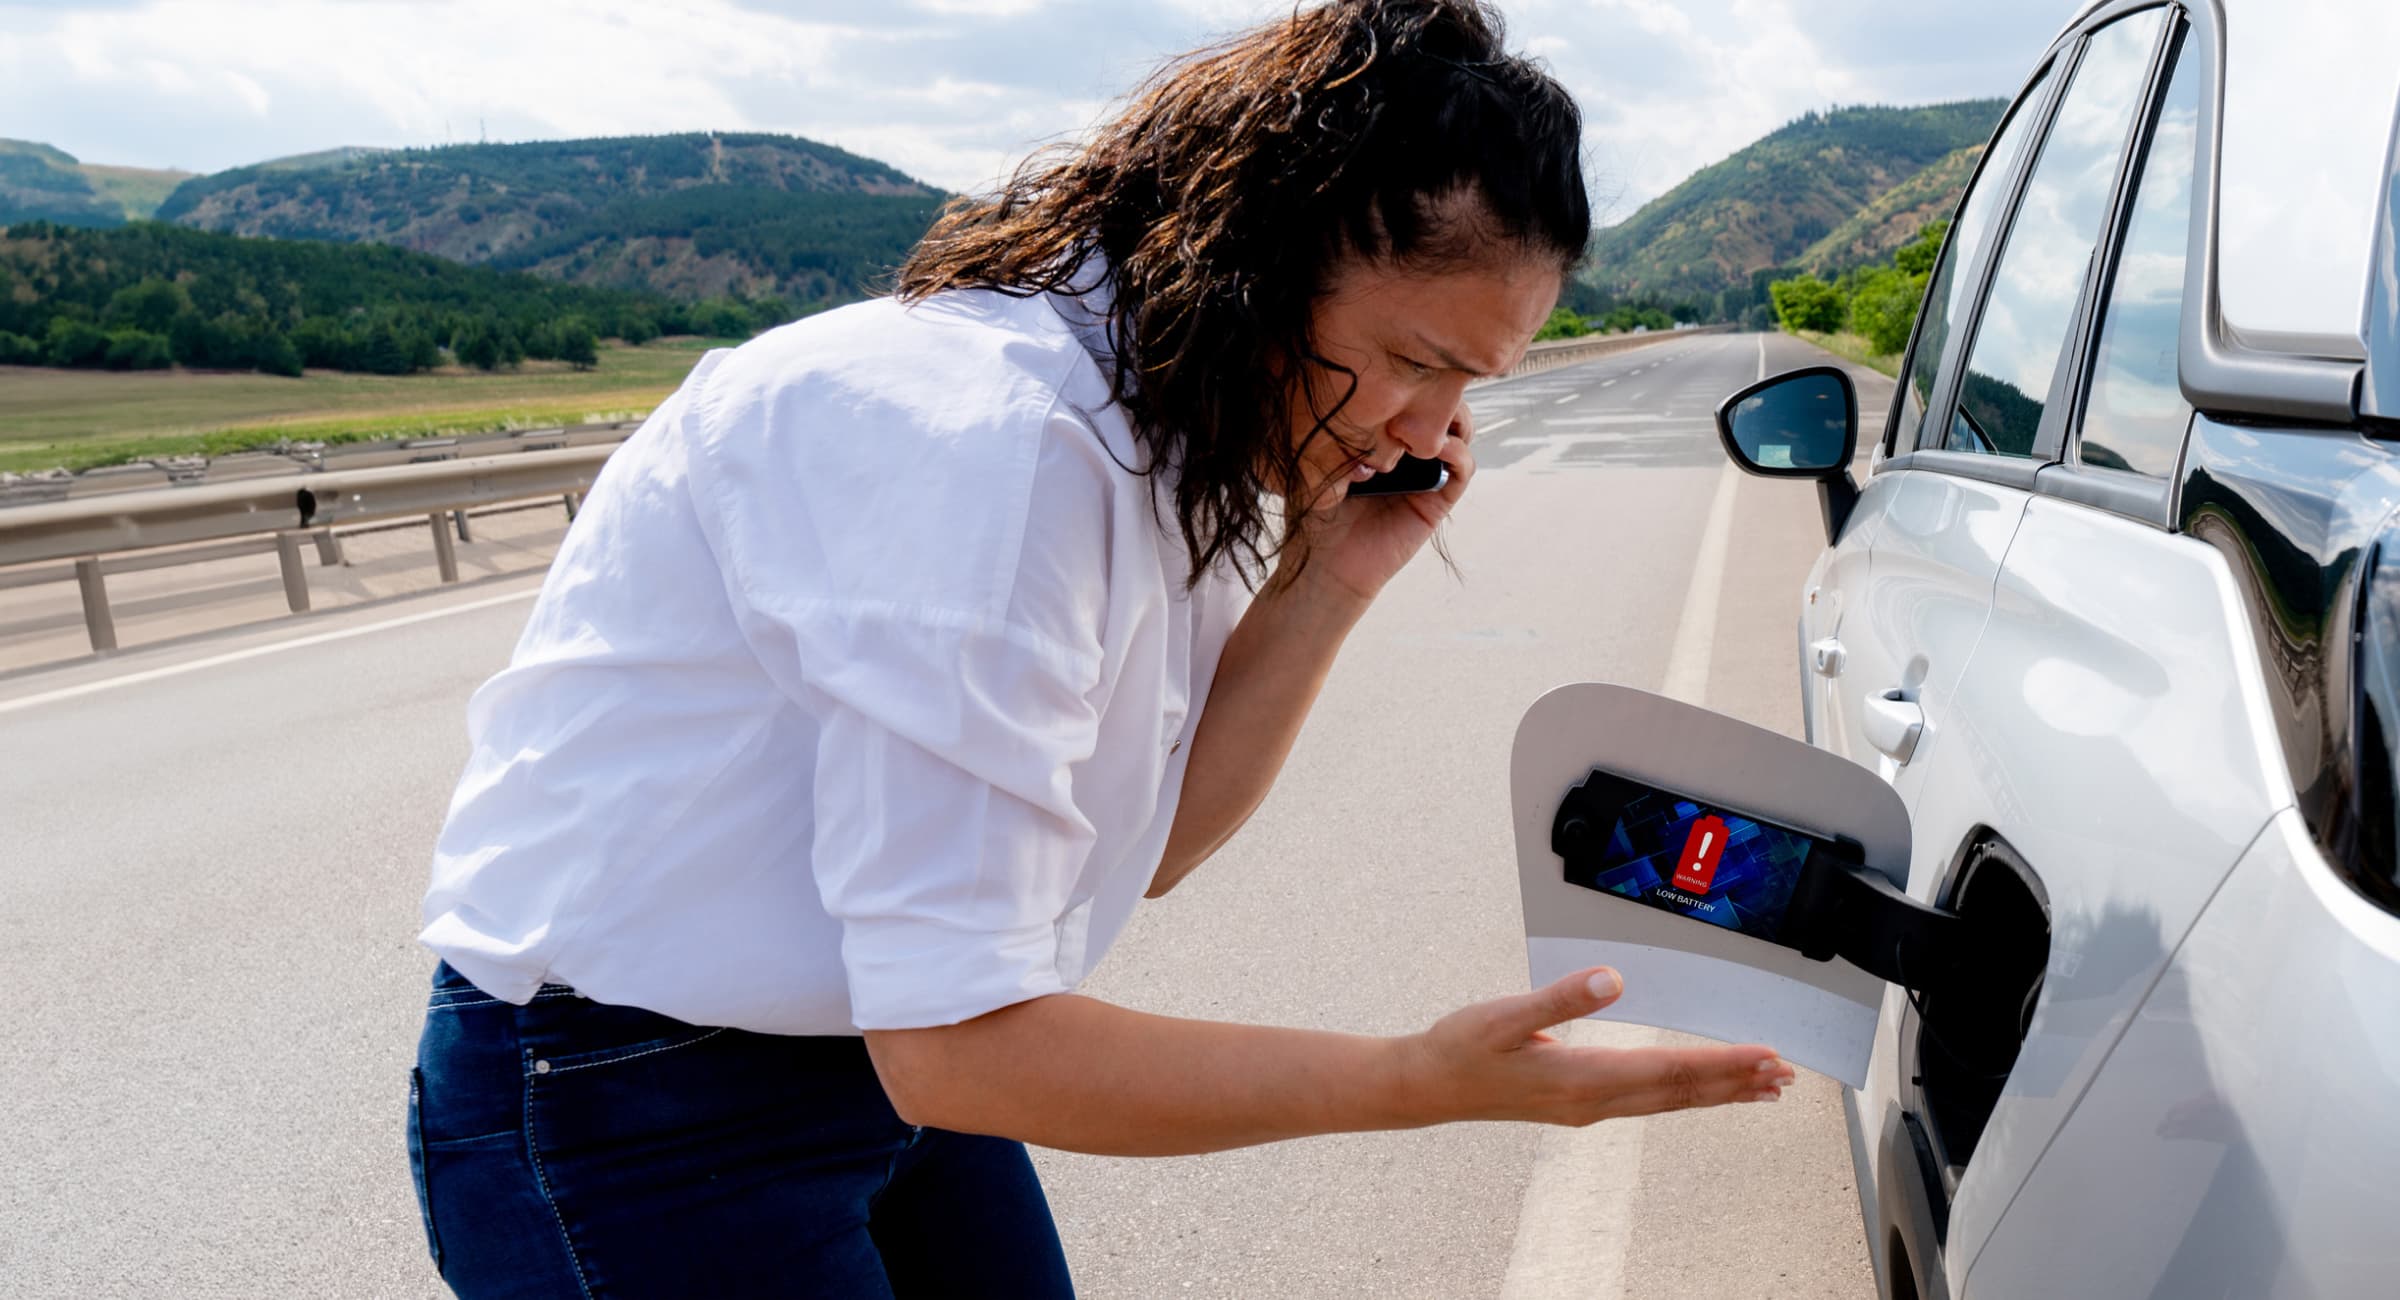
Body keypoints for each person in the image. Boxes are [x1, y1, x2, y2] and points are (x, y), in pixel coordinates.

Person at [405, 2, 1793, 1295]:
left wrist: (1326, 580)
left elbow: (1140, 850)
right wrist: (1416, 1081)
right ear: (1259, 255)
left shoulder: (1151, 420)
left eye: (1470, 388)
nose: (1430, 429)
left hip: (873, 1057)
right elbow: (966, 1048)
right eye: (1416, 359)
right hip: (626, 1103)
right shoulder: (995, 453)